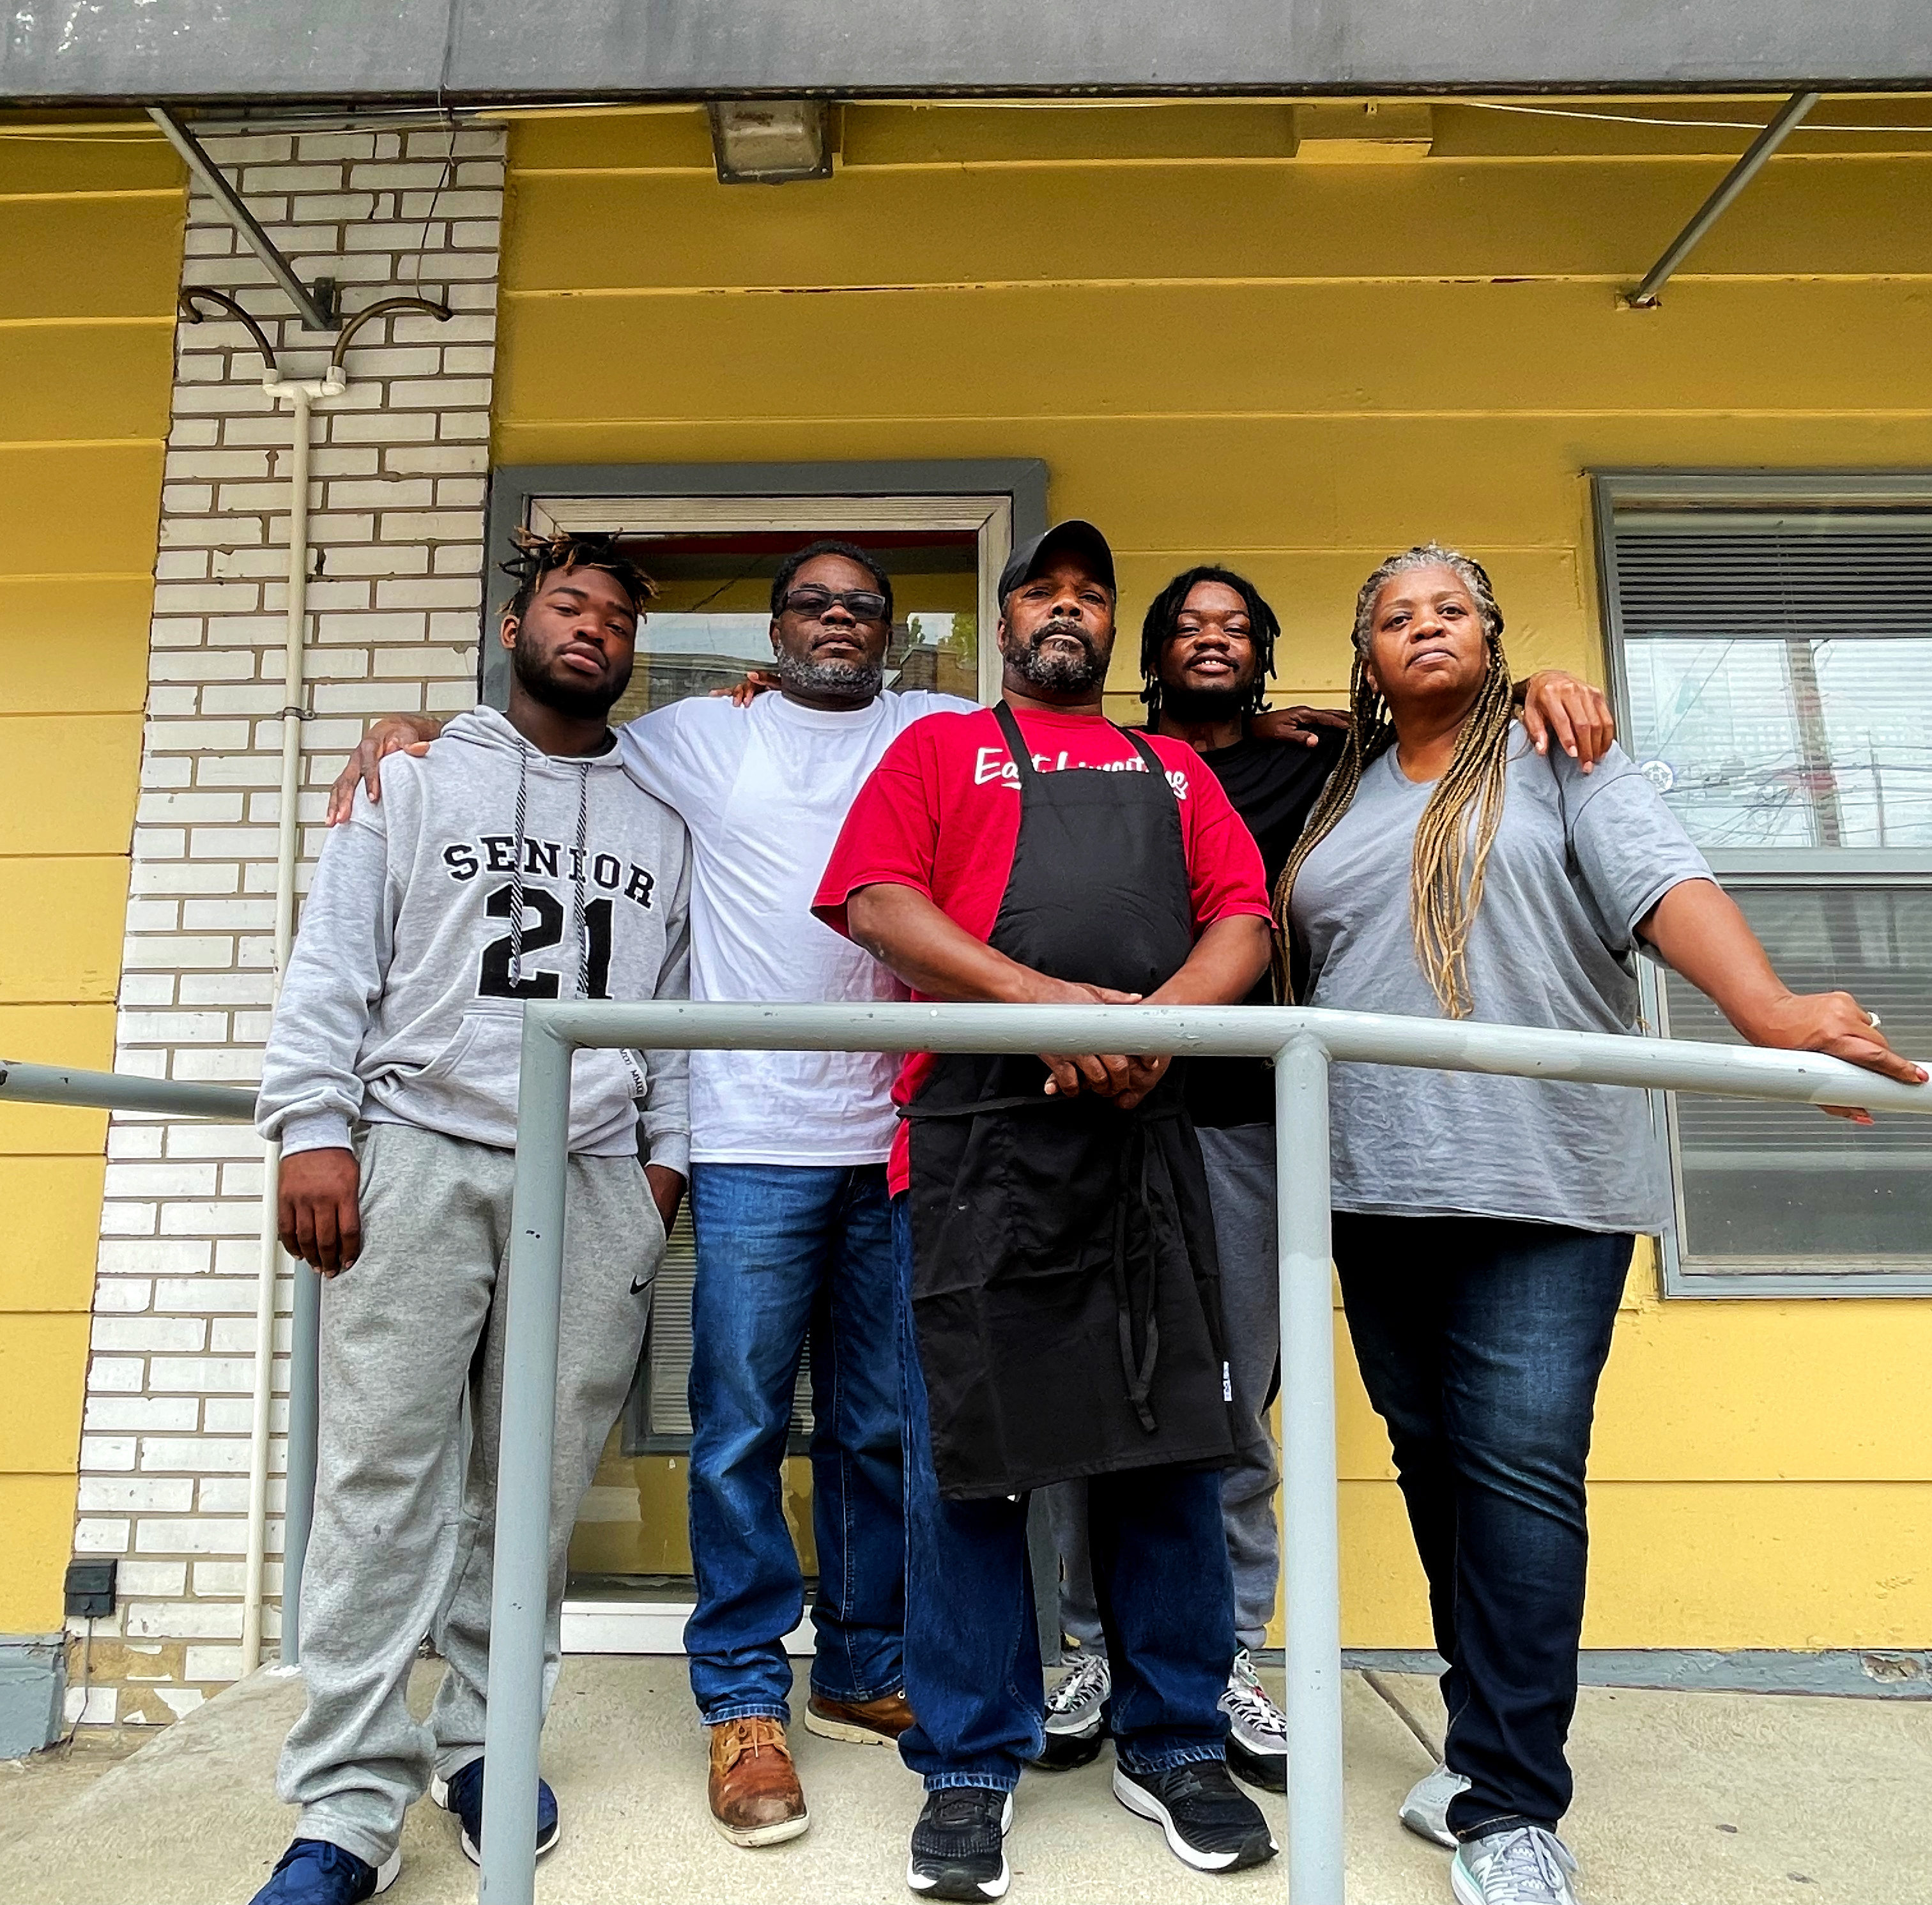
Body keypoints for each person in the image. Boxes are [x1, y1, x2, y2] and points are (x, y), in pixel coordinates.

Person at [1275, 543, 1926, 1905]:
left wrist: (1769, 1009)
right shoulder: (1334, 792)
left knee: (1518, 1474)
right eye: (1395, 617)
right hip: (1376, 1181)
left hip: (1546, 1180)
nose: (1424, 628)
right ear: (1368, 657)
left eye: (1450, 607)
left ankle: (1512, 1805)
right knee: (1436, 1465)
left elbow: (1660, 886)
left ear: (1495, 631)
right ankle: (1478, 1751)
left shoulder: (1558, 753)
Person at [328, 540, 976, 1850]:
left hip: (896, 1133)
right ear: (775, 630)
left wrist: (1284, 730)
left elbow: (1079, 750)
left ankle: (860, 1661)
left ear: (893, 637)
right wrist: (406, 725)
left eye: (864, 608)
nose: (837, 623)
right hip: (745, 1136)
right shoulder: (687, 737)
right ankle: (744, 1699)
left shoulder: (938, 726)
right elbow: (539, 748)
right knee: (737, 1424)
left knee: (878, 1424)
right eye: (812, 604)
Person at [1039, 566, 1615, 1798]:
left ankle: (1223, 1648)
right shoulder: (1109, 763)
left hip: (1254, 1123)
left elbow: (1447, 733)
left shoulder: (1331, 766)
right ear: (1151, 653)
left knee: (1239, 1397)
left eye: (1236, 627)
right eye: (1187, 627)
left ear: (1271, 654)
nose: (1212, 641)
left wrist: (1546, 689)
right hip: (1109, 1118)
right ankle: (1089, 1646)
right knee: (1099, 1391)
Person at [815, 521, 1282, 1901]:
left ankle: (1175, 1737)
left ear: (1109, 628)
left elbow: (1241, 925)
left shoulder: (1173, 765)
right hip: (971, 1147)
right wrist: (1044, 1004)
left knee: (1167, 1445)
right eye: (1043, 593)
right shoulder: (934, 752)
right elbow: (877, 901)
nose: (1064, 611)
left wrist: (1159, 1037)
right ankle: (967, 1766)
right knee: (972, 1459)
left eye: (1090, 596)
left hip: (1147, 1139)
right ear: (1006, 620)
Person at [250, 530, 693, 1905]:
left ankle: (488, 1742)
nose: (594, 631)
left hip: (591, 1179)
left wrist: (656, 1175)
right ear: (514, 627)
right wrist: (315, 1128)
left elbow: (672, 1014)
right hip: (421, 1151)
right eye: (571, 606)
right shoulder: (415, 772)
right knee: (381, 1479)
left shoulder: (662, 816)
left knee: (537, 1488)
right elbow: (335, 965)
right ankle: (345, 1805)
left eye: (617, 618)